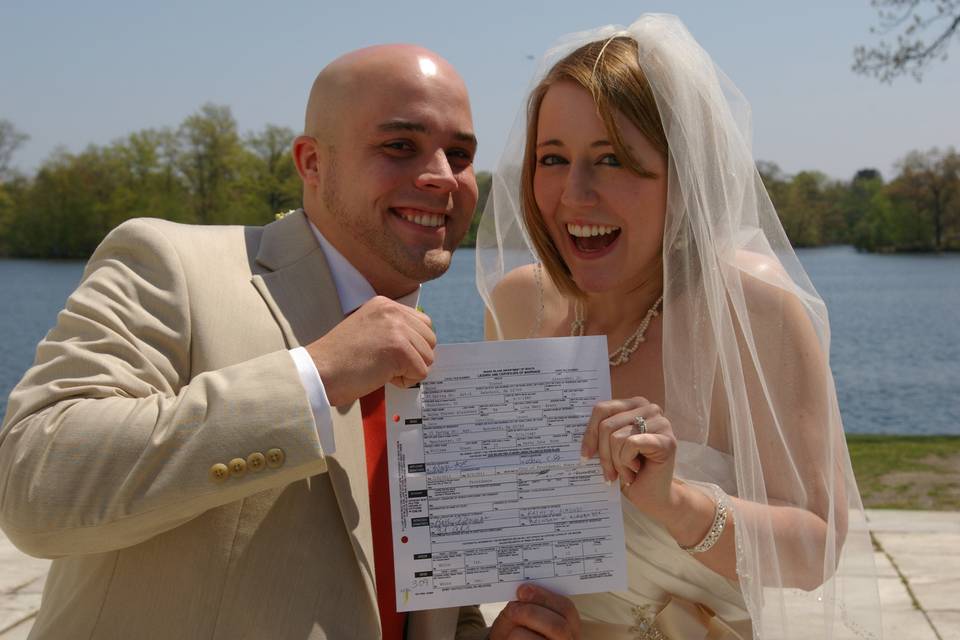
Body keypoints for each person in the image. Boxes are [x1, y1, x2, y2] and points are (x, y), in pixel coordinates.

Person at [0, 45, 577, 639]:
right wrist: (314, 376)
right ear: (312, 163)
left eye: (459, 154)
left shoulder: (444, 372)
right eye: (400, 146)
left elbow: (409, 602)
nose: (440, 175)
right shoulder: (169, 265)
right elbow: (33, 485)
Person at [477, 15, 883, 639]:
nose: (572, 194)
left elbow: (818, 549)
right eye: (551, 158)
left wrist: (677, 504)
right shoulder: (515, 308)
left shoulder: (754, 314)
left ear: (682, 175)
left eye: (610, 158)